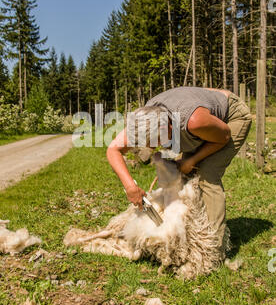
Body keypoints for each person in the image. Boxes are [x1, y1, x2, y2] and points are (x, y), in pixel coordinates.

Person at [106, 86, 252, 260]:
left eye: (157, 140)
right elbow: (113, 149)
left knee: (206, 174)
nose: (154, 147)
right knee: (184, 176)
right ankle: (189, 235)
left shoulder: (194, 121)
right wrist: (130, 186)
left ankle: (212, 251)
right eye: (148, 142)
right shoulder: (144, 120)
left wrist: (191, 160)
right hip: (197, 112)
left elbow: (224, 137)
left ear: (167, 125)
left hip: (230, 118)